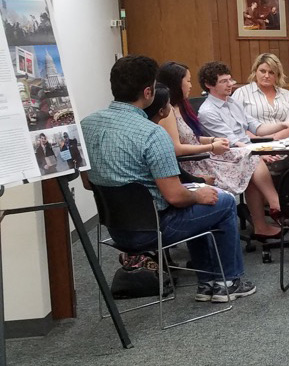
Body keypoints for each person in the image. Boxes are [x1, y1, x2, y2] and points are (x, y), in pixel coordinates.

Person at [81, 55, 256, 303]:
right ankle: (227, 281)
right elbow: (175, 196)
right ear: (148, 91)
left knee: (200, 198)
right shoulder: (152, 134)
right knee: (223, 202)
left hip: (115, 229)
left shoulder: (86, 126)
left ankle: (208, 283)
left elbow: (88, 183)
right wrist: (198, 194)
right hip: (154, 228)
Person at [159, 62, 282, 241]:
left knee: (249, 159)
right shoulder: (168, 111)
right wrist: (210, 147)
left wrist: (211, 140)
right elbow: (176, 148)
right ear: (176, 83)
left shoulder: (179, 107)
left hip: (202, 155)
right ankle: (274, 206)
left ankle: (264, 220)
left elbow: (191, 138)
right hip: (192, 165)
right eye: (188, 81)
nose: (191, 85)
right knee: (249, 157)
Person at [197, 61, 289, 144]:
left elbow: (257, 128)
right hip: (231, 155)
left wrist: (283, 125)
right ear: (209, 85)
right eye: (224, 81)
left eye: (230, 80)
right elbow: (232, 142)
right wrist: (260, 152)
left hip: (248, 149)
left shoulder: (233, 103)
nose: (230, 84)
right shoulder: (208, 111)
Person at [231, 53, 289, 126]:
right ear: (255, 71)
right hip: (252, 137)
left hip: (284, 137)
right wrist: (259, 137)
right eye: (262, 71)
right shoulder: (242, 93)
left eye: (271, 72)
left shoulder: (286, 95)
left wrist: (275, 137)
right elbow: (234, 123)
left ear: (277, 75)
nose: (266, 76)